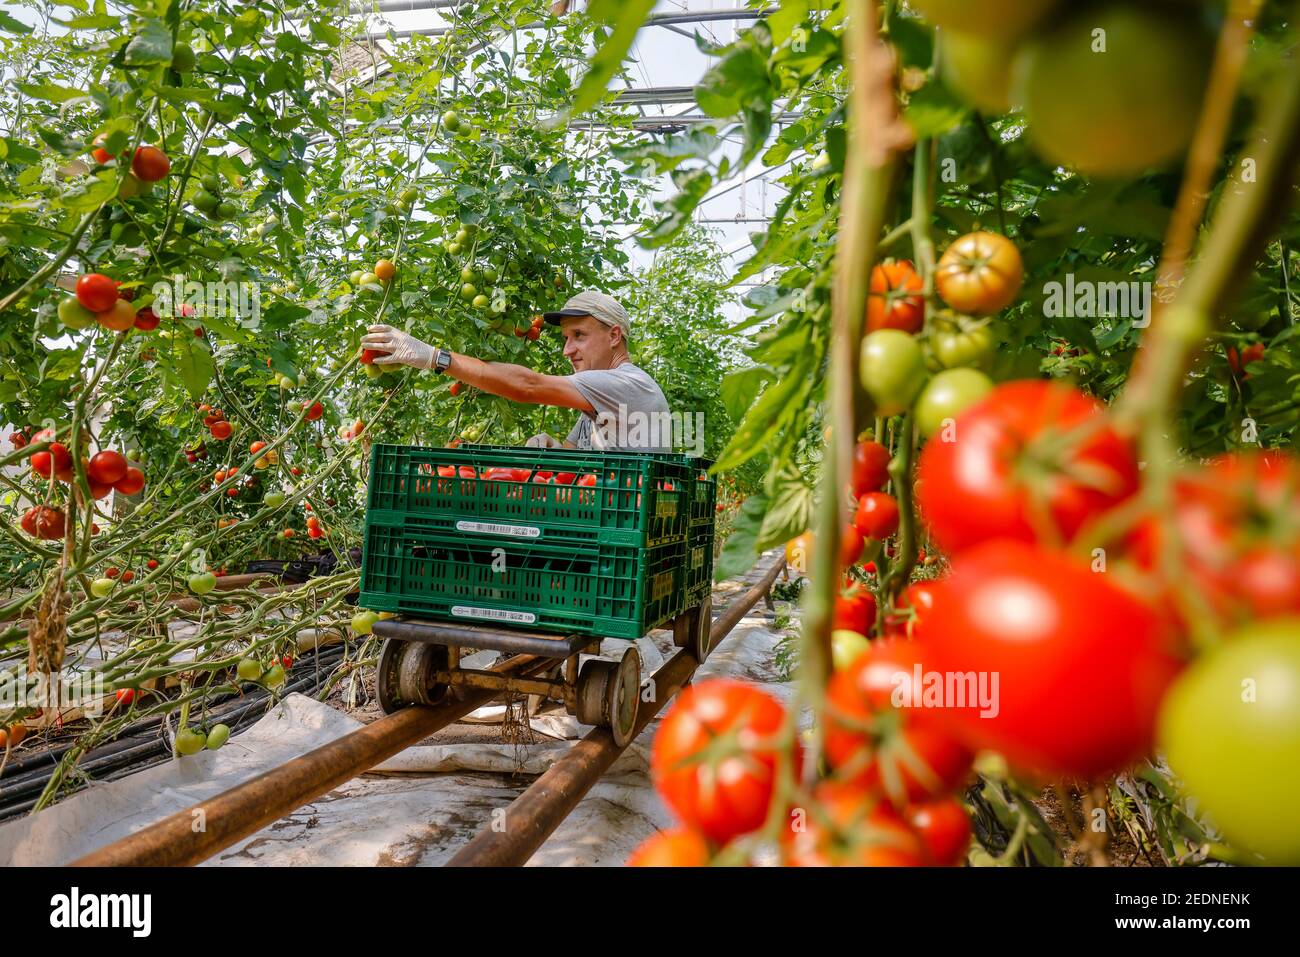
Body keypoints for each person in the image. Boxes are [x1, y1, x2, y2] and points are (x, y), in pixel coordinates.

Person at [361, 290, 672, 451]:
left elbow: (528, 386)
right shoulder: (598, 400)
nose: (567, 350)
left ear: (614, 336)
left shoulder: (626, 384)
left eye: (579, 336)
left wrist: (436, 358)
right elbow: (573, 460)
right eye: (566, 338)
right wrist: (553, 448)